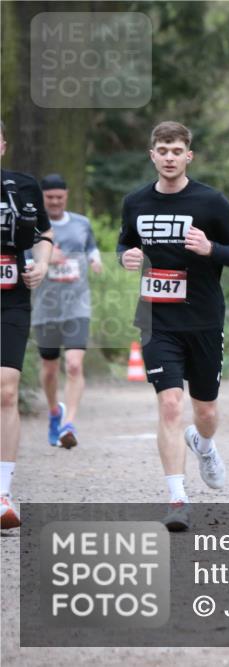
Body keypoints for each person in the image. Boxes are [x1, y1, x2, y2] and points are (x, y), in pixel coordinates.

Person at [117, 121, 229, 531]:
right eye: (163, 150)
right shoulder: (136, 202)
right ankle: (177, 498)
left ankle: (204, 444)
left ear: (188, 155)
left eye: (177, 150)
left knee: (205, 410)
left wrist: (211, 249)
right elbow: (126, 241)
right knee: (170, 404)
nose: (170, 157)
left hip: (204, 320)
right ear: (152, 155)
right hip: (158, 320)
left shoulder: (211, 202)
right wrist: (126, 255)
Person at [1, 121, 54, 529]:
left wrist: (42, 264)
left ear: (3, 145)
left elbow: (44, 235)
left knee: (6, 387)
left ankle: (2, 493)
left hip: (12, 298)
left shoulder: (23, 186)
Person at [33, 173, 103, 449]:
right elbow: (25, 257)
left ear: (66, 196)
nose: (54, 202)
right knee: (50, 369)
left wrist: (95, 259)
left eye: (59, 198)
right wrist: (47, 258)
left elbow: (91, 246)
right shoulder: (36, 226)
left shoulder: (81, 223)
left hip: (77, 305)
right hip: (46, 307)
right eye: (49, 198)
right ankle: (54, 412)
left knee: (74, 364)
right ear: (43, 198)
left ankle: (68, 424)